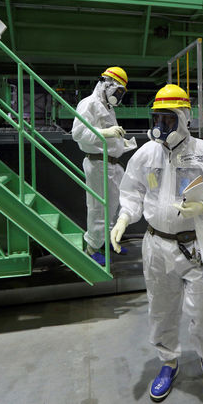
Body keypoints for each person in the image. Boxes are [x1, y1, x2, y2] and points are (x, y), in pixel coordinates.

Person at [110, 84, 203, 404]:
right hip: (157, 245)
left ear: (183, 118)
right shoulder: (146, 154)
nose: (160, 126)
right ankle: (168, 362)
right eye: (157, 118)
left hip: (194, 246)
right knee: (161, 310)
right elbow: (133, 192)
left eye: (168, 119)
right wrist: (124, 218)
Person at [71, 67, 132, 265]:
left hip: (112, 163)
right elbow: (78, 133)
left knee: (114, 206)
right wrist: (106, 133)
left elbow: (109, 136)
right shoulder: (89, 103)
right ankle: (92, 248)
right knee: (99, 209)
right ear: (107, 84)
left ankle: (107, 241)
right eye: (118, 90)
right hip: (97, 163)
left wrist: (123, 144)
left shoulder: (107, 107)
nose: (119, 96)